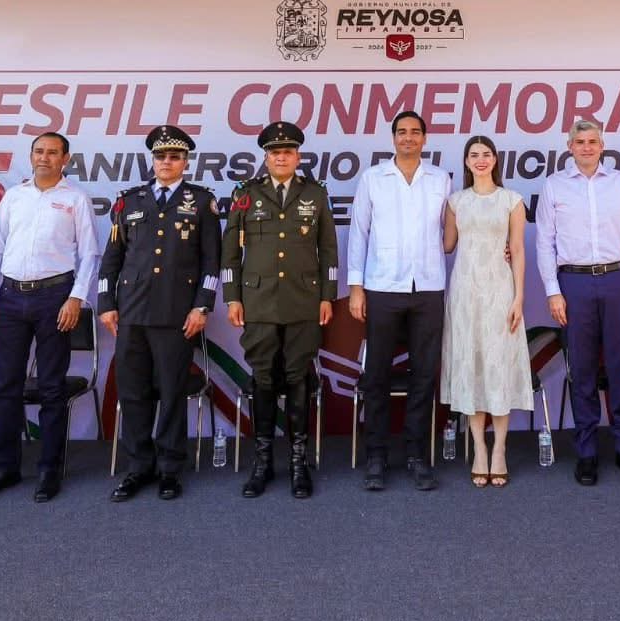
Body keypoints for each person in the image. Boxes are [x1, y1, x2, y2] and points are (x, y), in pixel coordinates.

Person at [0, 132, 100, 504]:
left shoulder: (75, 199)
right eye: (39, 151)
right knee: (6, 386)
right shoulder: (14, 196)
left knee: (52, 387)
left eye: (52, 153)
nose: (44, 158)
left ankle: (49, 469)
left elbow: (90, 254)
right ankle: (4, 468)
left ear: (65, 159)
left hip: (55, 297)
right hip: (10, 297)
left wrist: (76, 298)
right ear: (31, 156)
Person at [100, 126, 222, 502]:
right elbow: (112, 258)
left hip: (176, 313)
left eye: (174, 157)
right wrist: (106, 304)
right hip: (132, 312)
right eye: (160, 156)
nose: (166, 162)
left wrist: (202, 306)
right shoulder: (128, 201)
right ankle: (139, 467)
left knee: (171, 393)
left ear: (185, 162)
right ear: (152, 160)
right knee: (133, 393)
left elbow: (212, 262)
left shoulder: (201, 201)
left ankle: (170, 468)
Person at [222, 121, 338, 499]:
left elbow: (328, 250)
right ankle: (263, 462)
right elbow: (230, 251)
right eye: (275, 152)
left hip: (304, 300)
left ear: (298, 156)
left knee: (298, 376)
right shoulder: (245, 193)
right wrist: (232, 296)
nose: (282, 157)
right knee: (263, 378)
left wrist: (327, 296)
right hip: (258, 301)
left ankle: (298, 462)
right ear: (266, 157)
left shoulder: (315, 194)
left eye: (288, 151)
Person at [536, 119, 620, 487]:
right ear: (569, 146)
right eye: (580, 141)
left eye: (592, 141)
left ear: (602, 146)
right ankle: (586, 453)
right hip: (573, 283)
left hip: (619, 280)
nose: (586, 147)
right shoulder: (554, 185)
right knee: (582, 370)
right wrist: (553, 290)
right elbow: (544, 243)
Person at [349, 110, 453, 491]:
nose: (408, 138)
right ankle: (376, 456)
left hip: (428, 287)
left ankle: (416, 455)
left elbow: (453, 231)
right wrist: (356, 287)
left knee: (423, 375)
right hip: (382, 286)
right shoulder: (373, 178)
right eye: (402, 132)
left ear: (425, 139)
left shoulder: (440, 179)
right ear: (393, 138)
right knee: (376, 374)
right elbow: (359, 233)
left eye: (415, 132)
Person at [440, 135, 531, 487]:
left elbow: (518, 250)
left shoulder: (512, 200)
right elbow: (447, 245)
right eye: (474, 154)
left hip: (500, 291)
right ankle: (479, 447)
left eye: (486, 154)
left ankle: (500, 449)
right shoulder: (456, 201)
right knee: (472, 366)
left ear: (495, 160)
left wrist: (519, 297)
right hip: (465, 293)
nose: (480, 159)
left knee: (498, 366)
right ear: (466, 161)